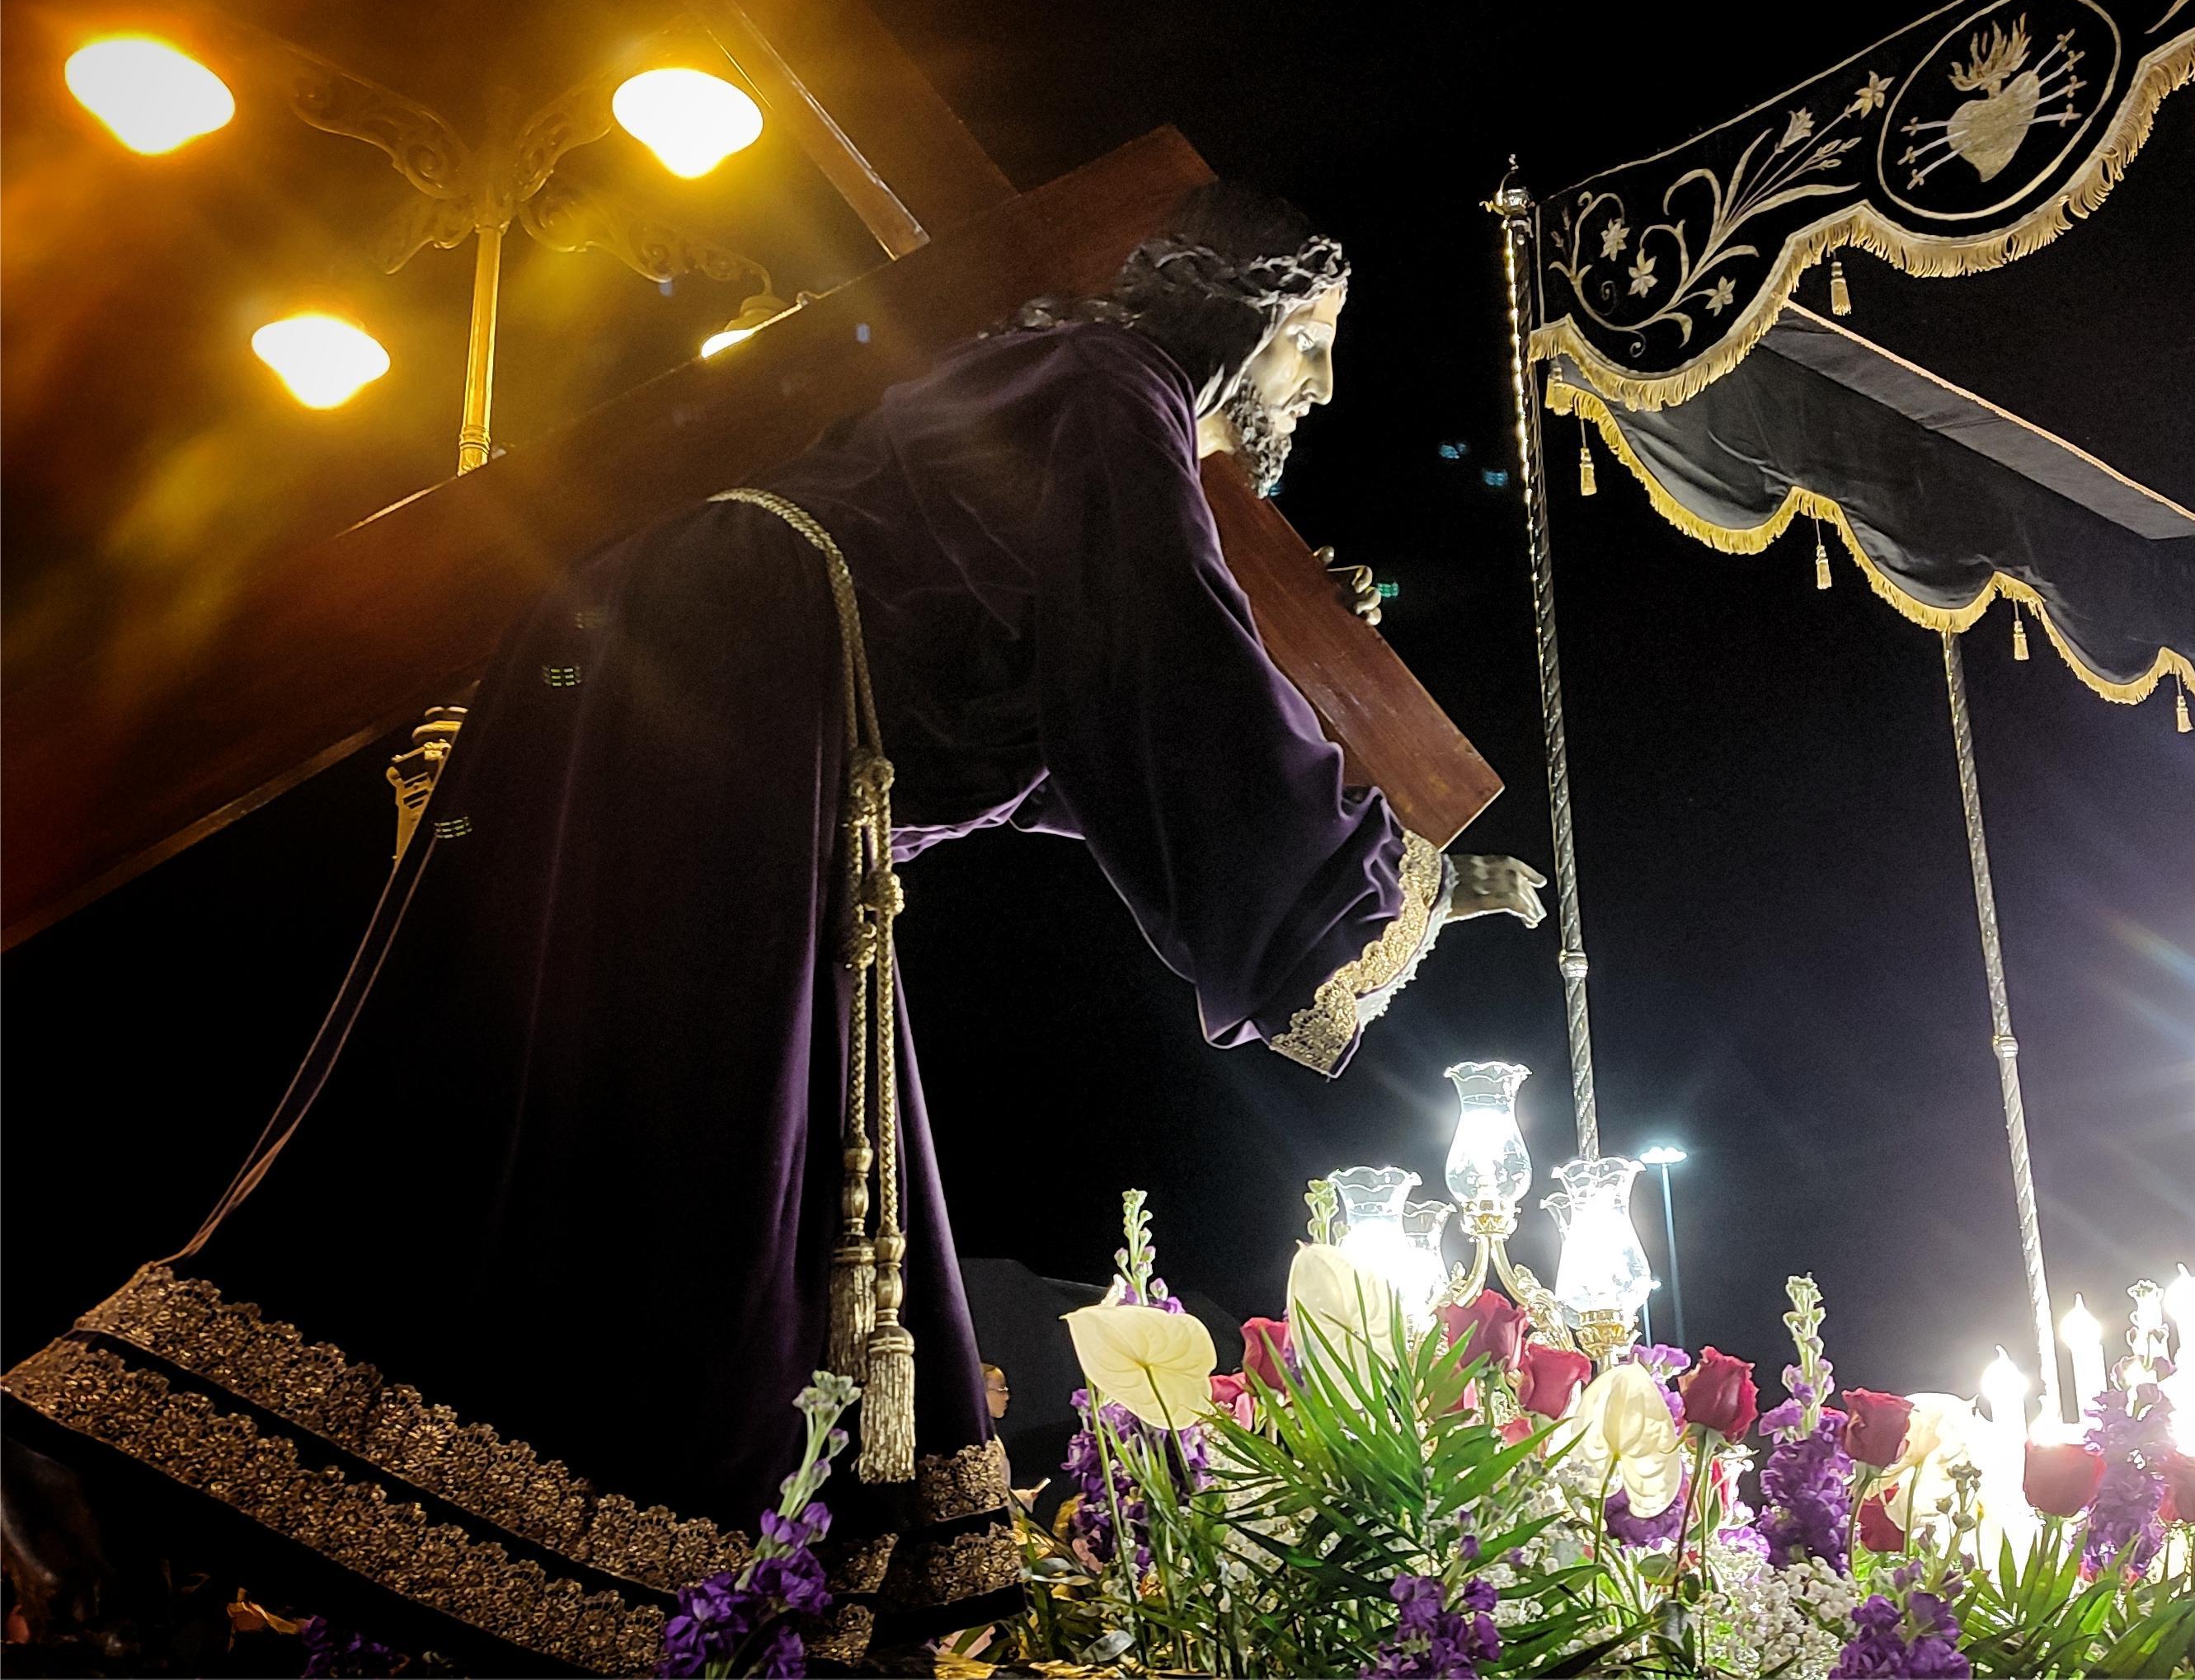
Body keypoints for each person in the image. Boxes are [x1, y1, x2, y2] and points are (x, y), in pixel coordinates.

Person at [1, 183, 1541, 1672]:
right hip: (730, 686)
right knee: (705, 1146)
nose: (1319, 385)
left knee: (525, 1113)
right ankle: (576, 1522)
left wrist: (1357, 822)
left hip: (687, 681)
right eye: (1311, 339)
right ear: (1240, 315)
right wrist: (1382, 876)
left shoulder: (1056, 393)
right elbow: (1167, 665)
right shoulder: (1110, 378)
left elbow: (1073, 728)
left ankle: (143, 1478)